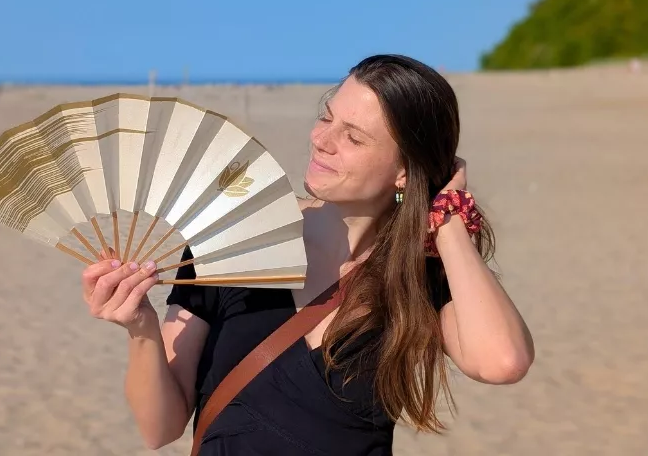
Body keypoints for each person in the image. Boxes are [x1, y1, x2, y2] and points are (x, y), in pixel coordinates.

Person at [81, 54, 535, 455]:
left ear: (403, 171)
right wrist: (140, 328)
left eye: (354, 137)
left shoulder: (417, 271)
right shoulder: (233, 237)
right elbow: (159, 429)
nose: (322, 140)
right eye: (326, 117)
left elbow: (502, 362)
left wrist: (448, 217)